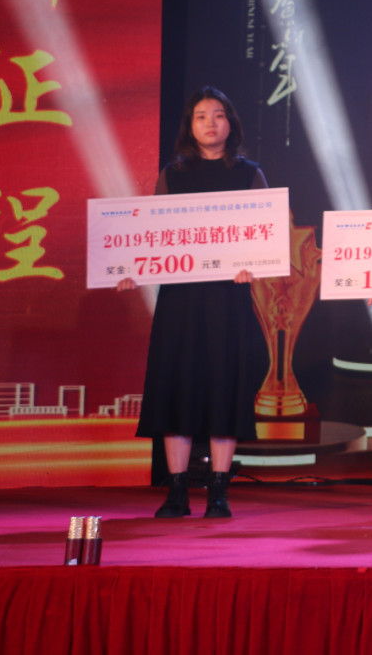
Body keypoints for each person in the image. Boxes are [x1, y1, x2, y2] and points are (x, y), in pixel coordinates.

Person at [120, 87, 270, 519]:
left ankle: (219, 490)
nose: (210, 123)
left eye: (218, 115)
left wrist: (253, 264)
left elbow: (266, 234)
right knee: (177, 385)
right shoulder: (175, 174)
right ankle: (178, 491)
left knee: (225, 385)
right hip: (181, 299)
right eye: (201, 116)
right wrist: (129, 267)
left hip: (228, 297)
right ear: (190, 125)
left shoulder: (249, 174)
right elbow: (153, 236)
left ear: (230, 124)